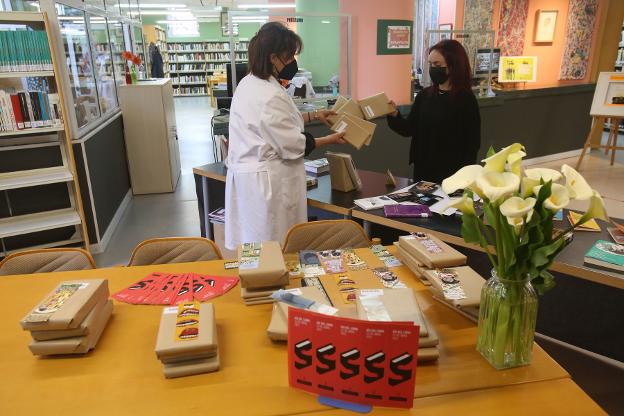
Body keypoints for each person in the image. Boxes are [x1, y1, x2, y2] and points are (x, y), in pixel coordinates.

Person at [225, 22, 345, 250]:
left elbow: (277, 121)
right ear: (273, 57)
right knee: (275, 249)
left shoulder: (249, 84)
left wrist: (314, 115)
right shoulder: (269, 94)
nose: (292, 62)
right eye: (289, 56)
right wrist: (330, 139)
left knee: (256, 251)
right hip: (269, 185)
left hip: (251, 180)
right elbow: (292, 144)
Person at [387, 39, 481, 184]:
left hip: (452, 173)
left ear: (453, 65)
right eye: (430, 64)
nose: (433, 68)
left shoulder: (466, 100)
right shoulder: (425, 95)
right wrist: (394, 115)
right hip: (423, 169)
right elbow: (409, 129)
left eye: (437, 64)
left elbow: (472, 144)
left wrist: (465, 178)